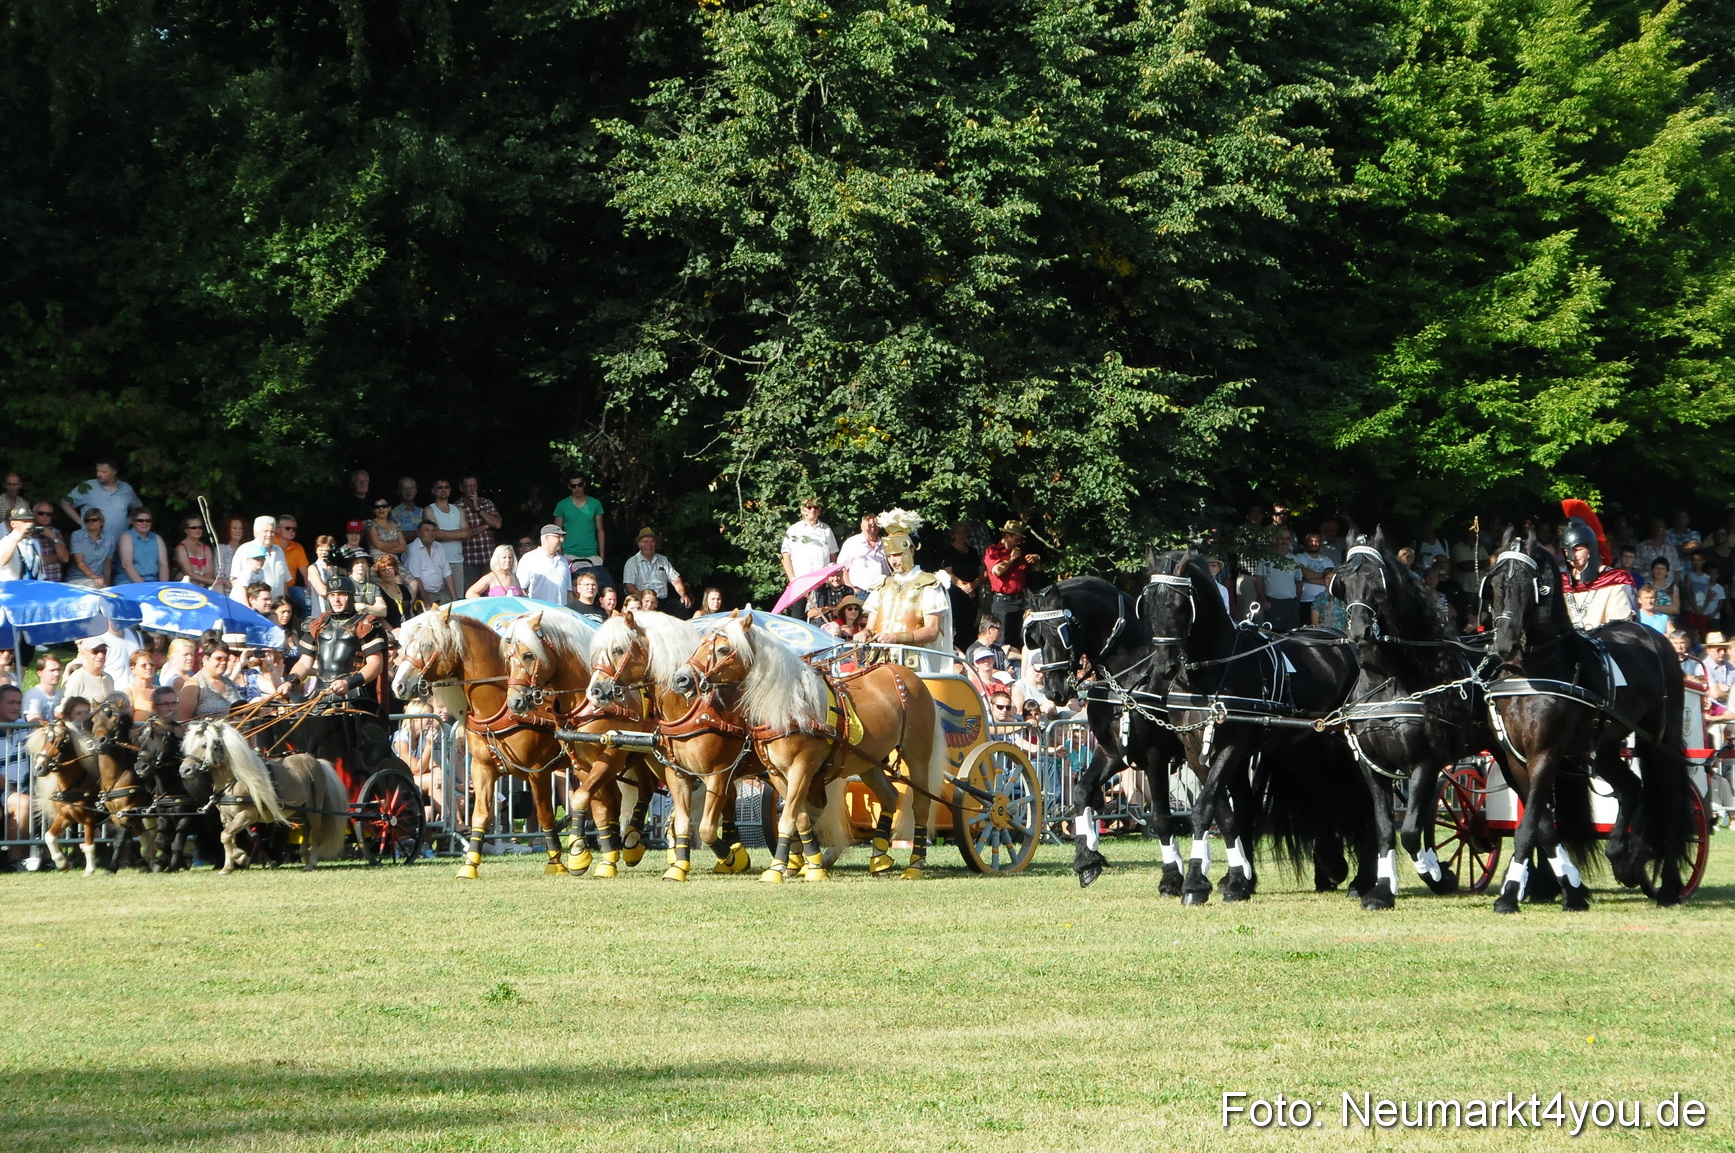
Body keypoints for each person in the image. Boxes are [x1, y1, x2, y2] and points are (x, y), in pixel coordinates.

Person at [279, 573, 389, 710]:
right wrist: (290, 682)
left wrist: (348, 683)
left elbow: (375, 664)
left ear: (351, 596)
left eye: (341, 595)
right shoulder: (317, 624)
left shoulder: (366, 624)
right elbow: (304, 663)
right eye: (332, 595)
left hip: (355, 696)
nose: (336, 600)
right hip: (319, 694)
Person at [862, 509, 951, 674]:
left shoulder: (928, 584)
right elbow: (870, 626)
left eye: (897, 555)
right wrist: (864, 633)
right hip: (878, 659)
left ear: (911, 551)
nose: (893, 561)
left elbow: (932, 631)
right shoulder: (882, 584)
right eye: (889, 556)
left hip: (911, 660)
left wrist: (895, 638)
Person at [1559, 515, 1637, 629]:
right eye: (1567, 551)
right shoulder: (1561, 582)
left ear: (1591, 549)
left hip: (1605, 643)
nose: (1572, 556)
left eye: (1578, 550)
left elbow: (1620, 628)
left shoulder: (1616, 580)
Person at [779, 497, 838, 616]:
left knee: (821, 616)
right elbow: (785, 556)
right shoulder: (794, 529)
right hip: (800, 581)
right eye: (809, 507)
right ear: (802, 510)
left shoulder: (826, 529)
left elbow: (832, 555)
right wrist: (792, 578)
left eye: (815, 507)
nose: (812, 510)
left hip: (821, 582)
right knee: (798, 616)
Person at [983, 521, 1038, 645]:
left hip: (1021, 600)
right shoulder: (992, 551)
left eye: (1020, 540)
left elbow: (1036, 570)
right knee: (1002, 640)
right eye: (1016, 539)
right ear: (1007, 536)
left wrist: (1035, 559)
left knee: (1021, 638)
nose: (1018, 543)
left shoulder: (1021, 551)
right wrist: (1012, 558)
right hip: (1003, 602)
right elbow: (997, 571)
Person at [553, 472, 609, 586]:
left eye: (579, 485)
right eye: (573, 486)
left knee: (594, 588)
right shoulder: (562, 505)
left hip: (591, 554)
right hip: (569, 554)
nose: (577, 488)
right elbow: (556, 531)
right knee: (571, 588)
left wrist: (602, 555)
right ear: (569, 487)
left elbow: (600, 530)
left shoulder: (595, 504)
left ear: (584, 484)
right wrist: (560, 554)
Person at [60, 460, 141, 537]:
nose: (98, 474)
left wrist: (128, 521)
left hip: (119, 541)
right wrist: (81, 522)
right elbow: (64, 502)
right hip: (93, 542)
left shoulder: (125, 488)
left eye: (103, 472)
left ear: (113, 472)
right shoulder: (88, 487)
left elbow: (138, 507)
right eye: (97, 471)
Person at [622, 528, 692, 612]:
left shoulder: (663, 560)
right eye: (646, 542)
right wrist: (646, 598)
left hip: (663, 602)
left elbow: (675, 579)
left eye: (652, 541)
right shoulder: (632, 562)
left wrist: (683, 595)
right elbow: (629, 586)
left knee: (683, 606)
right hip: (644, 602)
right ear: (639, 544)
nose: (649, 544)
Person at [1, 685, 33, 868]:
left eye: (18, 703)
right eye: (10, 702)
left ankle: (47, 859)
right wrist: (10, 787)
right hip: (5, 791)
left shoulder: (24, 727)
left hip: (24, 788)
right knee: (23, 802)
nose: (15, 707)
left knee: (51, 800)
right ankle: (15, 860)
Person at [457, 476, 502, 590]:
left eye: (474, 486)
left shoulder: (486, 503)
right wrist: (486, 525)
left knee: (491, 594)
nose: (472, 489)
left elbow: (497, 524)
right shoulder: (457, 507)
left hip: (489, 559)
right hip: (469, 560)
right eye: (469, 486)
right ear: (462, 488)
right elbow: (464, 533)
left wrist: (478, 508)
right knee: (472, 593)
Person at [177, 640, 241, 720]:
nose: (223, 662)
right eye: (219, 658)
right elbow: (181, 721)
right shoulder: (194, 685)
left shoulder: (228, 683)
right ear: (205, 659)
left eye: (226, 659)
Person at [1254, 528, 1303, 632]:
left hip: (1291, 604)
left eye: (1287, 539)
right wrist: (1263, 601)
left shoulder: (1294, 559)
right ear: (1275, 539)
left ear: (1290, 541)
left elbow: (1299, 581)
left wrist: (1297, 601)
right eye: (1281, 538)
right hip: (1273, 603)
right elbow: (1258, 580)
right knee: (1273, 634)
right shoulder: (1266, 558)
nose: (1284, 541)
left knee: (1293, 634)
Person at [228, 516, 290, 598]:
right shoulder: (244, 549)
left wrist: (284, 602)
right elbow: (235, 580)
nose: (269, 534)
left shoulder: (279, 550)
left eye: (272, 531)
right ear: (255, 533)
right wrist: (247, 602)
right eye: (266, 531)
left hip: (276, 606)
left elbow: (284, 581)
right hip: (253, 606)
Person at [516, 524, 573, 605]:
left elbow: (568, 591)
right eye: (558, 537)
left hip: (561, 613)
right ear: (546, 538)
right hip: (539, 612)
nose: (562, 540)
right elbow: (520, 589)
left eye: (562, 537)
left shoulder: (563, 561)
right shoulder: (529, 558)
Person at [836, 513, 890, 595]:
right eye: (870, 524)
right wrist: (851, 588)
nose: (873, 527)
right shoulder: (852, 543)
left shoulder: (885, 544)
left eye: (876, 524)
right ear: (862, 526)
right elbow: (841, 568)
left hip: (883, 592)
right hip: (860, 592)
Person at [404, 519, 455, 605]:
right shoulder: (412, 550)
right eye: (427, 530)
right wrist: (427, 603)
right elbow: (416, 579)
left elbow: (447, 573)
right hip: (423, 594)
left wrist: (454, 597)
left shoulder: (439, 547)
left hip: (441, 592)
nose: (430, 533)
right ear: (419, 533)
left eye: (433, 530)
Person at [114, 507, 166, 584]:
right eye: (140, 520)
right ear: (133, 522)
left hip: (153, 580)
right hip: (128, 581)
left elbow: (163, 564)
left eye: (148, 521)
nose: (144, 523)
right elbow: (126, 564)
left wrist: (163, 585)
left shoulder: (157, 538)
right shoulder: (126, 537)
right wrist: (142, 585)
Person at [19, 504, 69, 581]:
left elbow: (65, 558)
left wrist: (53, 538)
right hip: (34, 582)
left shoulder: (55, 532)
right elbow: (29, 562)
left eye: (48, 514)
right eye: (41, 513)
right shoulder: (25, 532)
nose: (45, 516)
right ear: (33, 514)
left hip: (55, 581)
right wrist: (55, 558)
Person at [66, 508, 114, 587]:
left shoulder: (109, 538)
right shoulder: (77, 535)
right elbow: (80, 563)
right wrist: (95, 577)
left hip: (99, 580)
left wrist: (108, 585)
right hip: (77, 578)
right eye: (87, 520)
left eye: (94, 520)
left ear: (101, 522)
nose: (90, 522)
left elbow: (107, 565)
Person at [62, 639, 115, 703]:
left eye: (104, 651)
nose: (101, 655)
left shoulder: (108, 678)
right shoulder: (77, 678)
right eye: (95, 651)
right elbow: (63, 709)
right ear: (83, 653)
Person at [0, 505, 42, 580]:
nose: (29, 524)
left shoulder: (34, 543)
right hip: (10, 587)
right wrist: (15, 540)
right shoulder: (6, 541)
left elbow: (39, 570)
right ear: (13, 524)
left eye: (31, 521)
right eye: (24, 521)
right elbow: (2, 561)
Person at [174, 516, 217, 587]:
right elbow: (189, 573)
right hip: (184, 585)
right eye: (193, 528)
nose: (197, 530)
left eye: (200, 527)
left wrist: (202, 584)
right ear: (186, 530)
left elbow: (209, 572)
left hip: (203, 584)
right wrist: (212, 581)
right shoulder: (181, 548)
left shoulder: (206, 548)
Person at [305, 534, 339, 617]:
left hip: (337, 612)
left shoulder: (336, 567)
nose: (323, 553)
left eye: (326, 550)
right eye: (321, 550)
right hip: (320, 613)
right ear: (316, 550)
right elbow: (323, 591)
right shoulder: (313, 568)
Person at [22, 653, 63, 722]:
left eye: (58, 669)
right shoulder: (32, 695)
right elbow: (35, 723)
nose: (57, 674)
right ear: (39, 673)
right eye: (52, 670)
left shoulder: (62, 694)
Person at [214, 515, 247, 595]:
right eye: (234, 528)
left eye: (240, 528)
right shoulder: (220, 549)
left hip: (242, 588)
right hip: (224, 588)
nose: (238, 531)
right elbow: (218, 574)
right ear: (228, 530)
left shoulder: (245, 549)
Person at [373, 555, 410, 625]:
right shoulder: (377, 591)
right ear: (379, 573)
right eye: (383, 570)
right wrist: (392, 631)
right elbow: (379, 617)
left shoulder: (403, 589)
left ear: (395, 569)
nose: (387, 572)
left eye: (389, 569)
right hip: (391, 632)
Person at [125, 650, 160, 720]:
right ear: (133, 669)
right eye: (144, 665)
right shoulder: (129, 692)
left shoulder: (159, 691)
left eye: (151, 665)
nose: (149, 667)